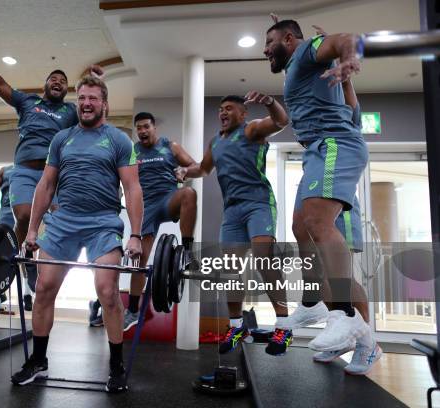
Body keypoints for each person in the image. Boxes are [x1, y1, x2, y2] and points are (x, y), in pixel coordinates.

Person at [263, 19, 380, 371]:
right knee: (301, 228)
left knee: (315, 224)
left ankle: (346, 318)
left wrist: (345, 55)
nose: (266, 50)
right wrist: (345, 75)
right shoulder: (308, 71)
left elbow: (344, 38)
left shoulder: (306, 54)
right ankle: (317, 304)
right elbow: (351, 109)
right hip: (318, 151)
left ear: (289, 39)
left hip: (333, 148)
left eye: (270, 42)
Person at [14, 76, 143, 393]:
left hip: (102, 222)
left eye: (93, 98)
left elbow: (132, 187)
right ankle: (39, 360)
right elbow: (45, 185)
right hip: (63, 222)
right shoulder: (62, 139)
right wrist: (32, 228)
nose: (86, 103)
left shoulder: (119, 140)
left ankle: (116, 365)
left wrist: (136, 234)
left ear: (105, 104)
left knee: (108, 292)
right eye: (82, 98)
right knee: (43, 288)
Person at [176, 92, 291, 356]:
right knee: (230, 270)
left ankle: (284, 326)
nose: (223, 113)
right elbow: (203, 169)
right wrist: (185, 171)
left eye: (229, 109)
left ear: (242, 113)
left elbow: (281, 121)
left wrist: (271, 103)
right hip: (233, 212)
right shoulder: (215, 141)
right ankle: (237, 325)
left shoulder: (251, 131)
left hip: (258, 204)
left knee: (264, 259)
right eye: (220, 109)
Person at [0, 44, 78, 249]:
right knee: (23, 215)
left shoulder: (71, 111)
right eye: (54, 79)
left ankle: (38, 254)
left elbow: (96, 113)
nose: (58, 82)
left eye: (63, 82)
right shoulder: (28, 102)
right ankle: (10, 258)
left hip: (52, 174)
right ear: (45, 85)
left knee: (58, 219)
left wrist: (96, 83)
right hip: (24, 170)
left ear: (66, 89)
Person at [121, 111, 198, 331]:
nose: (142, 131)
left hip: (168, 199)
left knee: (189, 195)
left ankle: (187, 251)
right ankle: (134, 311)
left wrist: (184, 170)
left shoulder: (170, 146)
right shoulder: (132, 152)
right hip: (145, 207)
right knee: (139, 262)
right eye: (139, 128)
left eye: (146, 126)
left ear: (154, 128)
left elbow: (195, 166)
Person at [0, 165, 36, 311]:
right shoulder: (4, 171)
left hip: (24, 217)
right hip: (5, 217)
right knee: (0, 255)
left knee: (23, 255)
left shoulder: (32, 169)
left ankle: (27, 294)